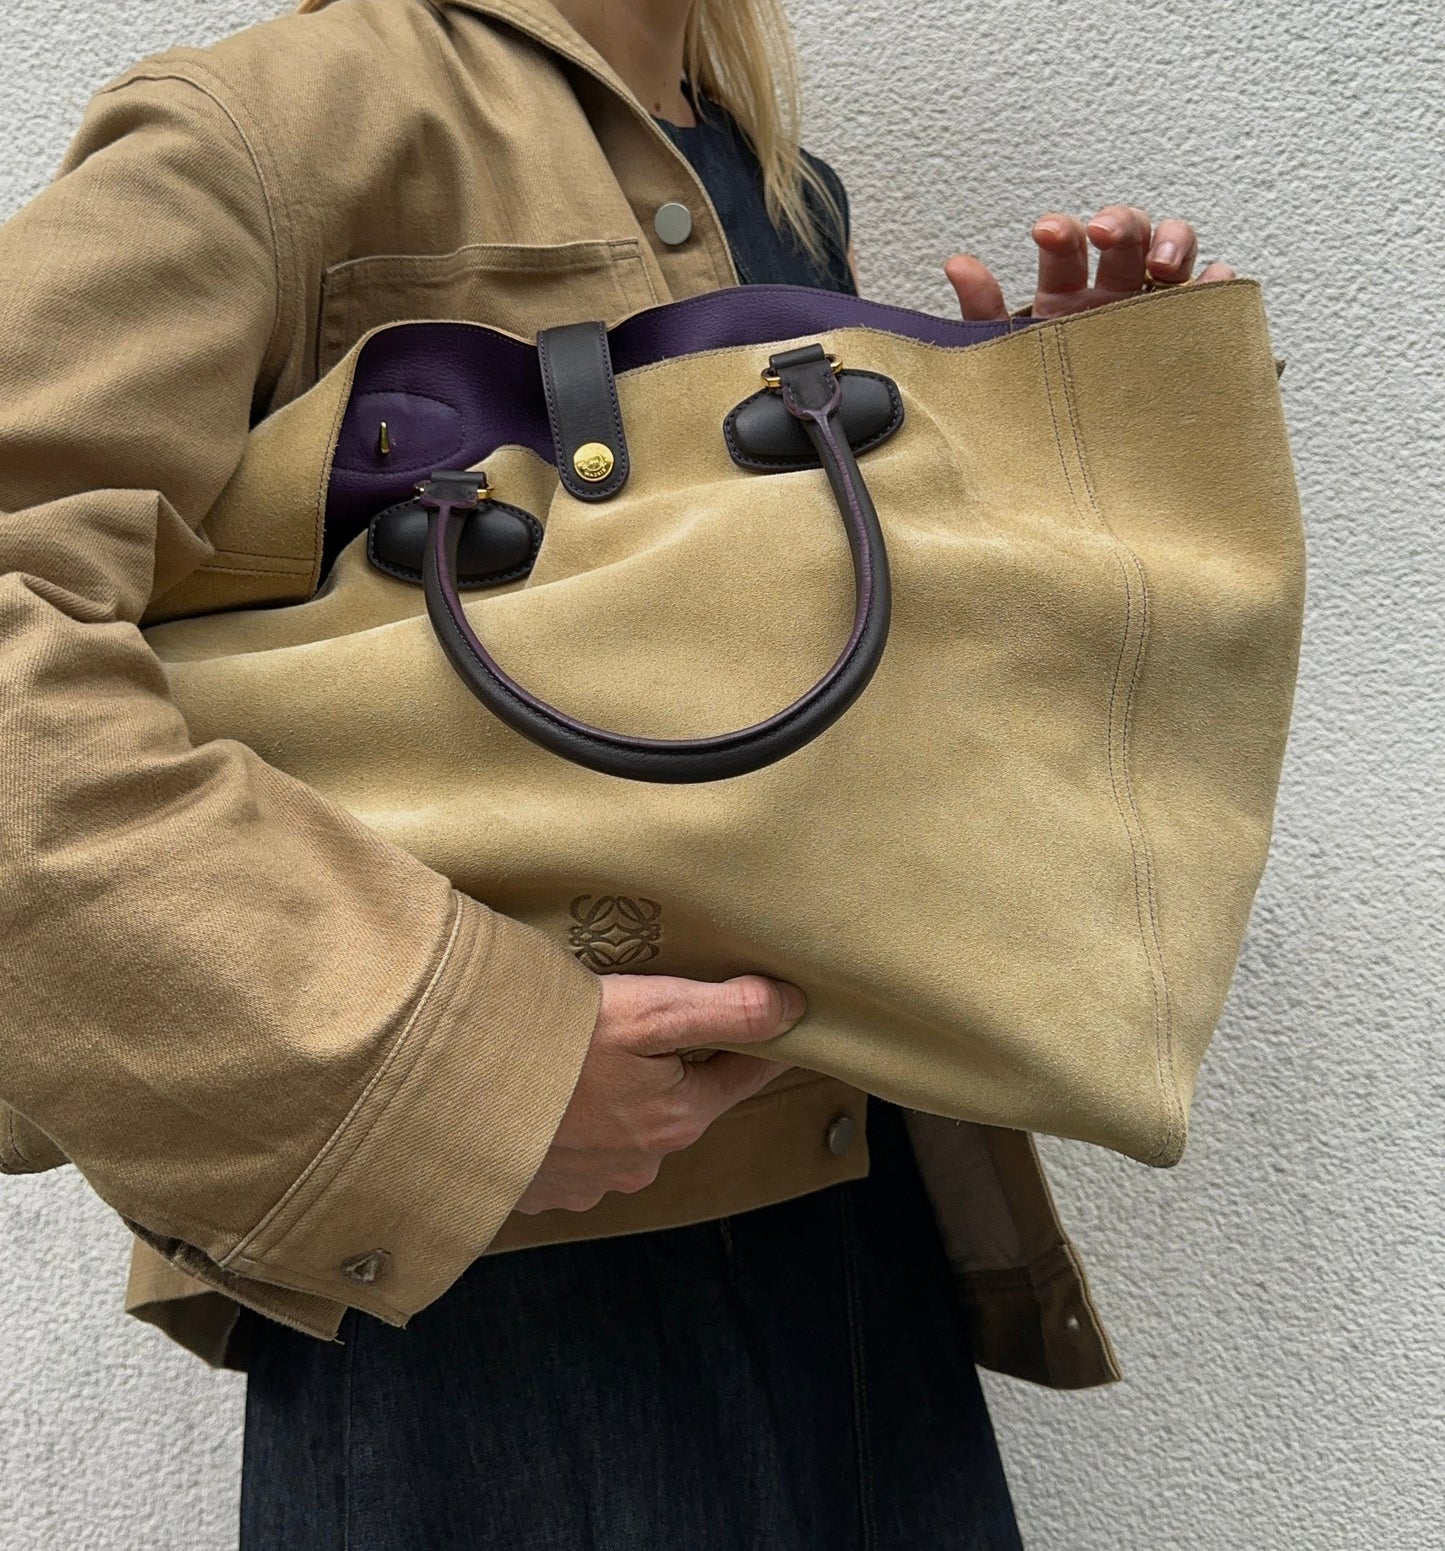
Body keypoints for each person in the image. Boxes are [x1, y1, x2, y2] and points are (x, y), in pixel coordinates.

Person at [0, 1, 1236, 1545]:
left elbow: (751, 667)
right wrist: (460, 1074)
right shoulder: (275, 124)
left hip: (860, 1221)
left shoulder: (775, 182)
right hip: (495, 1303)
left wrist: (1033, 442)